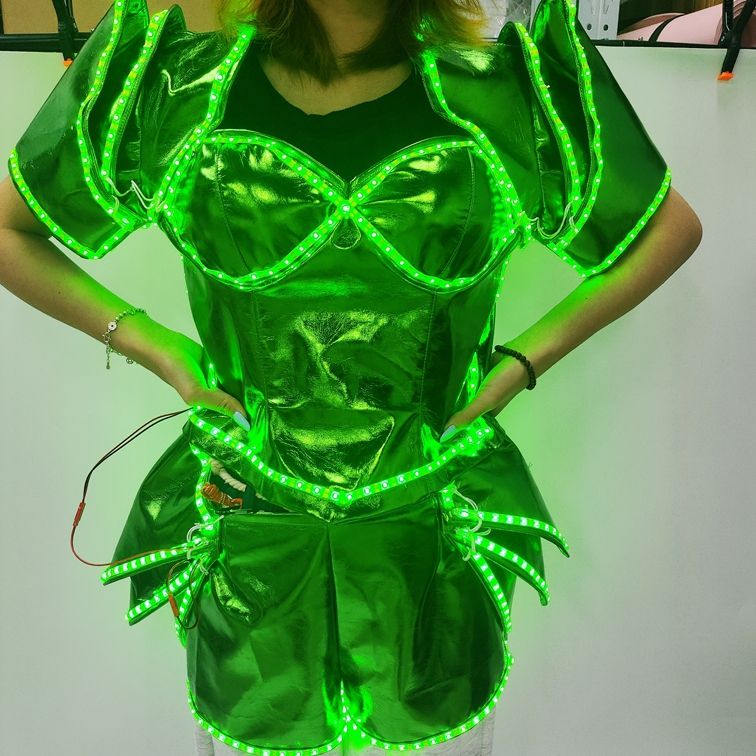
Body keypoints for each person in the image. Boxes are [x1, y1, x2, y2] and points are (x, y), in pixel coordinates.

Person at [0, 0, 702, 753]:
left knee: (434, 732)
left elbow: (666, 231)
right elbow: (11, 230)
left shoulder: (504, 97)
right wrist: (160, 348)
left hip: (428, 525)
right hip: (251, 525)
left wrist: (521, 362)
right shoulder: (175, 92)